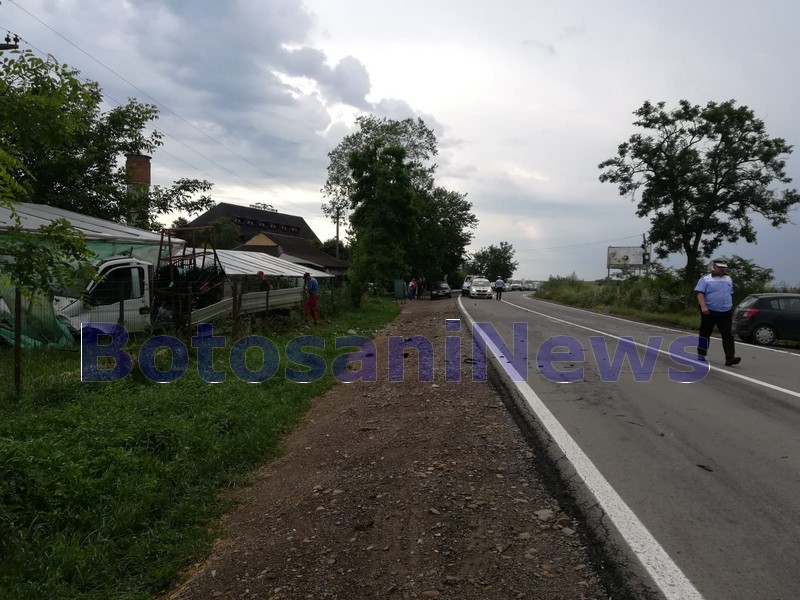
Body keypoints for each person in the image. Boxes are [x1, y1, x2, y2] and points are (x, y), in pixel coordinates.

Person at [694, 259, 741, 366]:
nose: (722, 269)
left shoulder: (728, 279)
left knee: (727, 335)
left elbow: (730, 293)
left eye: (724, 268)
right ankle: (701, 354)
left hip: (725, 311)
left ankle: (730, 358)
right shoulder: (706, 279)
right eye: (720, 267)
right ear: (714, 267)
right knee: (705, 333)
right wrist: (703, 306)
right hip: (709, 311)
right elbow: (700, 293)